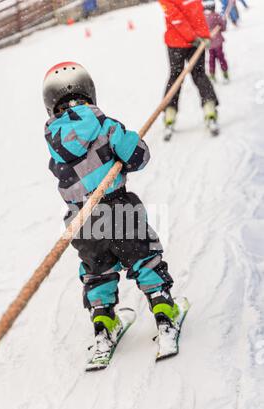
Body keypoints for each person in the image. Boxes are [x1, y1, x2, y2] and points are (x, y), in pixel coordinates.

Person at [43, 62, 185, 364]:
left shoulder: (53, 145)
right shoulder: (105, 125)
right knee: (145, 260)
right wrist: (128, 142)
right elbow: (138, 156)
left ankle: (103, 327)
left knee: (97, 273)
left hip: (82, 222)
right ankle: (164, 316)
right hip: (118, 208)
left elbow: (67, 179)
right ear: (89, 92)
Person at [158, 0, 219, 137]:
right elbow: (175, 18)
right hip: (178, 42)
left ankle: (210, 110)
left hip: (194, 42)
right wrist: (194, 37)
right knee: (177, 76)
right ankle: (170, 114)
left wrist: (204, 36)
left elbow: (198, 14)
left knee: (198, 74)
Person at [203, 0, 229, 82]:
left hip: (209, 43)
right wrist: (224, 21)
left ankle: (212, 73)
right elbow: (223, 28)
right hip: (218, 43)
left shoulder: (203, 17)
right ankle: (225, 73)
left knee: (211, 58)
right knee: (221, 58)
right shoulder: (216, 15)